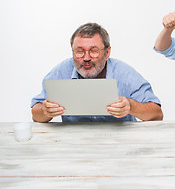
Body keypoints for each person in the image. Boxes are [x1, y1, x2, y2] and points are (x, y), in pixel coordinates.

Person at [32, 22, 163, 122]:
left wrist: (131, 107)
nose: (86, 57)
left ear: (107, 53)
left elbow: (157, 114)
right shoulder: (61, 71)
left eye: (94, 51)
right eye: (80, 51)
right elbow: (35, 114)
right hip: (73, 146)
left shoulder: (124, 73)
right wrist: (45, 111)